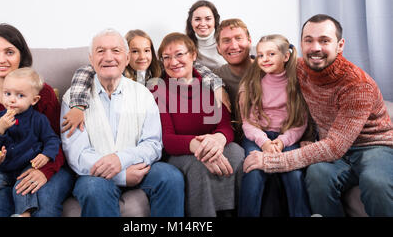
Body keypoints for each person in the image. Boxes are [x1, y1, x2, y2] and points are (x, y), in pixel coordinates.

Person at [243, 14, 393, 216]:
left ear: (340, 45)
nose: (315, 47)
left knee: (377, 182)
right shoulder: (300, 68)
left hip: (372, 146)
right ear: (301, 45)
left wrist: (271, 161)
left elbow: (334, 147)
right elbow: (268, 60)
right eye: (309, 40)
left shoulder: (357, 85)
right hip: (333, 148)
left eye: (324, 40)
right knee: (317, 176)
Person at [60, 28, 184, 217]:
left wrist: (121, 159)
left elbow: (153, 144)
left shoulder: (143, 94)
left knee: (170, 176)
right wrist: (122, 176)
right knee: (93, 189)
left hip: (139, 167)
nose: (108, 57)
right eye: (100, 51)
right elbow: (77, 154)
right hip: (94, 176)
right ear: (91, 59)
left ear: (126, 59)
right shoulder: (73, 99)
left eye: (116, 51)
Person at [0, 23, 73, 217]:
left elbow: (59, 141)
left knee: (43, 201)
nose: (1, 60)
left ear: (21, 55)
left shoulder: (42, 93)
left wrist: (45, 170)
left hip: (43, 165)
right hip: (5, 169)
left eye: (9, 52)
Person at [61, 29, 230, 137]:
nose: (142, 56)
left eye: (147, 50)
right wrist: (78, 106)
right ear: (126, 55)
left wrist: (216, 85)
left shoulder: (157, 72)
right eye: (135, 51)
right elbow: (85, 72)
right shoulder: (116, 73)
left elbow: (191, 66)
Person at [152, 32, 245, 217]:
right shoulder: (157, 89)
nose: (173, 62)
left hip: (210, 145)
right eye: (166, 57)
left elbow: (225, 126)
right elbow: (168, 139)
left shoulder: (212, 85)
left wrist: (218, 139)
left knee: (236, 152)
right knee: (198, 166)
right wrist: (201, 149)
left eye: (179, 54)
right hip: (180, 152)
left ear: (193, 55)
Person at [0, 68, 60, 217]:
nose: (11, 99)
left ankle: (24, 213)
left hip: (27, 166)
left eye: (20, 95)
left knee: (23, 186)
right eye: (7, 93)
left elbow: (52, 139)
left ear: (34, 100)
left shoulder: (38, 119)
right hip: (4, 168)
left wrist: (47, 155)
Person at [237, 34, 311, 217]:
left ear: (285, 56)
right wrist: (264, 143)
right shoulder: (253, 83)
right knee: (253, 173)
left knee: (294, 175)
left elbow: (300, 122)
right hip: (257, 138)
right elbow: (248, 122)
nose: (264, 59)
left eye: (271, 54)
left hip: (285, 138)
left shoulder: (296, 83)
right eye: (260, 55)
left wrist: (282, 142)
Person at [186, 0, 227, 70]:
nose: (202, 24)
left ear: (215, 20)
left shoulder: (226, 42)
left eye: (208, 19)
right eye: (197, 19)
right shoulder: (184, 45)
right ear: (191, 22)